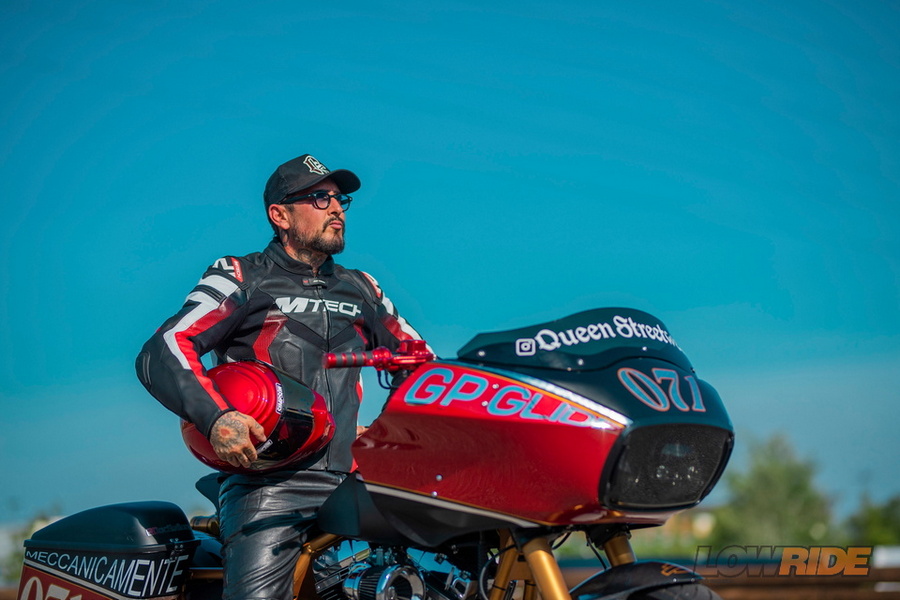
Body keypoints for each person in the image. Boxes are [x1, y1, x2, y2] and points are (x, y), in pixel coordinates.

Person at [135, 153, 425, 600]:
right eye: (319, 198)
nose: (336, 208)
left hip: (357, 480)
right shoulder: (241, 275)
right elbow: (165, 347)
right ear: (280, 215)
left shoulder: (363, 288)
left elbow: (422, 364)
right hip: (272, 485)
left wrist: (389, 431)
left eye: (340, 199)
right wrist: (217, 418)